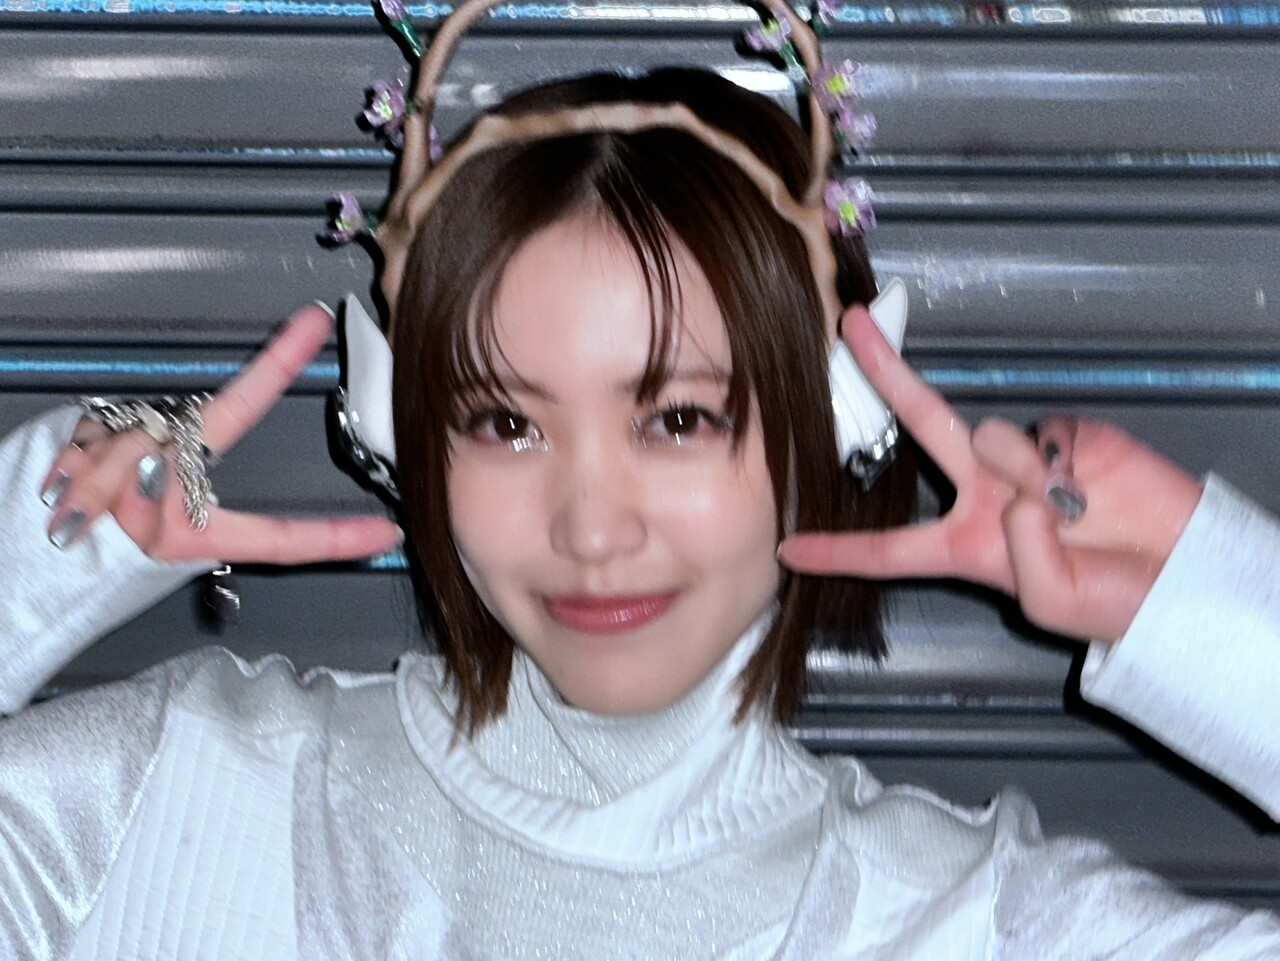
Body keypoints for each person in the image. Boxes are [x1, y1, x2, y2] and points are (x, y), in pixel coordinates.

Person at [1, 14, 1279, 961]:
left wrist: (1213, 620)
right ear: (400, 428)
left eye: (677, 418)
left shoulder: (973, 924)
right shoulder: (156, 794)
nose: (591, 528)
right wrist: (27, 569)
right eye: (504, 421)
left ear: (833, 423)